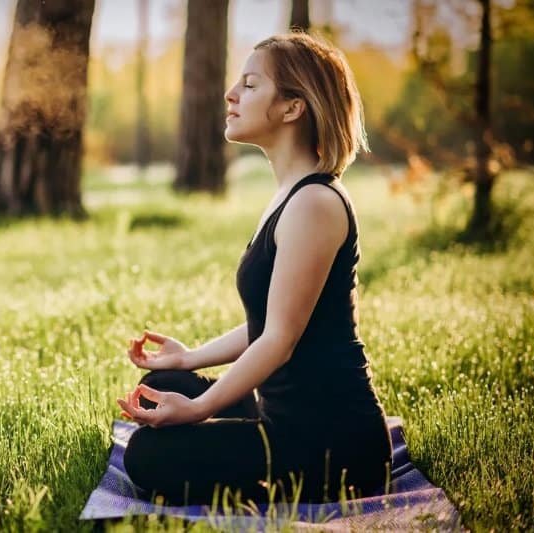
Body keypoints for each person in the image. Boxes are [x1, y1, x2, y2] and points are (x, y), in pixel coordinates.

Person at [116, 32, 393, 506]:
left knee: (147, 456)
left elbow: (279, 339)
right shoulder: (291, 196)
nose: (230, 94)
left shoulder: (315, 204)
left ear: (292, 108)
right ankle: (224, 418)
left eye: (249, 84)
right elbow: (269, 324)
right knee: (161, 386)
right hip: (280, 412)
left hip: (332, 445)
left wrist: (201, 408)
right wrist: (188, 360)